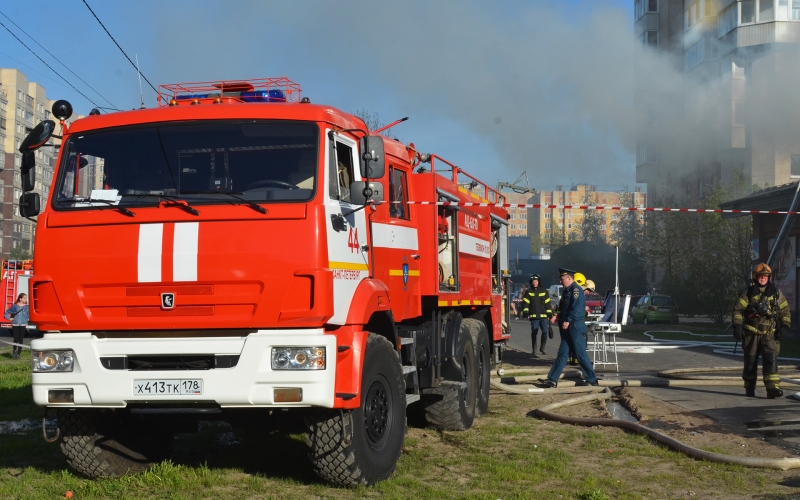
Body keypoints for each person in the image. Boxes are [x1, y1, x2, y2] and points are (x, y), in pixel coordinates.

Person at [732, 263, 790, 398]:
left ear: (769, 277)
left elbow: (785, 311)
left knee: (771, 360)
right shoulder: (748, 293)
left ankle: (772, 389)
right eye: (760, 276)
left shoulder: (776, 293)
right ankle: (750, 388)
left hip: (770, 334)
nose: (763, 278)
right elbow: (738, 310)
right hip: (751, 334)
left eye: (765, 276)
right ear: (755, 277)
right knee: (750, 362)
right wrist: (737, 326)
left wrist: (785, 327)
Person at [539, 269, 599, 388]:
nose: (560, 281)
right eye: (560, 279)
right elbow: (563, 307)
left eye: (562, 279)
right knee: (563, 353)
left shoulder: (576, 290)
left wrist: (568, 320)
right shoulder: (567, 291)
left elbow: (576, 309)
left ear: (569, 278)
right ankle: (552, 379)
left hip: (575, 325)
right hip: (567, 326)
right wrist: (558, 315)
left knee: (580, 353)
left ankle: (592, 379)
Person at [520, 275, 552, 355]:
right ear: (531, 282)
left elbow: (547, 303)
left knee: (545, 332)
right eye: (533, 282)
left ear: (539, 282)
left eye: (536, 281)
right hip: (534, 317)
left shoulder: (544, 291)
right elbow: (526, 304)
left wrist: (549, 313)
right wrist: (526, 312)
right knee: (534, 332)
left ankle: (542, 348)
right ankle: (534, 350)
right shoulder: (529, 291)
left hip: (543, 316)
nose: (534, 283)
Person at [5, 293, 29, 359]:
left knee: (21, 339)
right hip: (15, 324)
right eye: (24, 298)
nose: (25, 299)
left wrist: (28, 319)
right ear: (20, 298)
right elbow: (7, 312)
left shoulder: (27, 307)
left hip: (23, 324)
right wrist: (9, 318)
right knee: (16, 339)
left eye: (26, 298)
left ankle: (18, 354)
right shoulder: (15, 306)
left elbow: (30, 314)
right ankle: (14, 350)